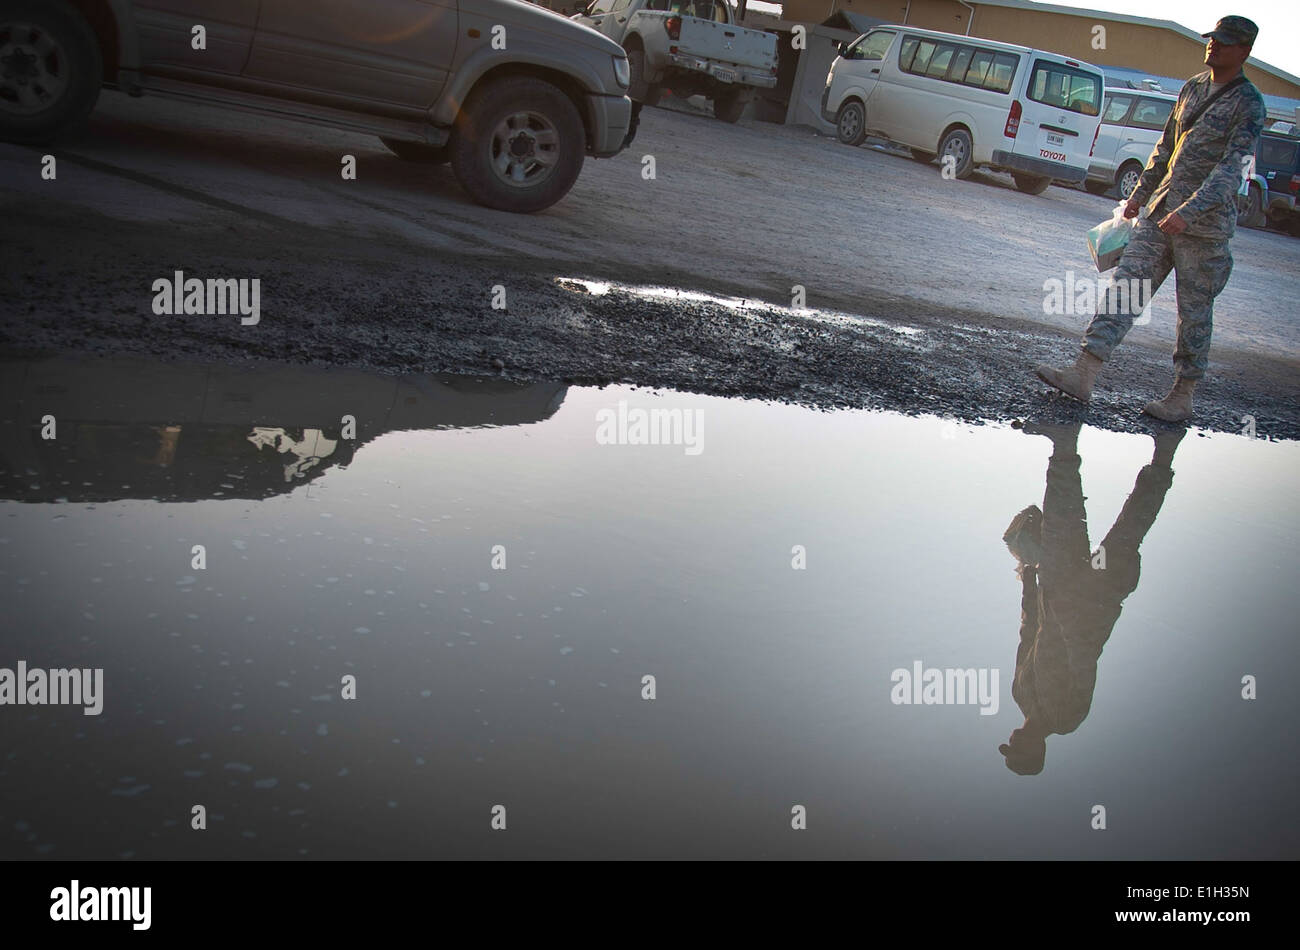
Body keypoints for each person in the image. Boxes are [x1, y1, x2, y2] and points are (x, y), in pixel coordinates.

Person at [1034, 16, 1266, 423]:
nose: (1213, 46)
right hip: (1159, 215)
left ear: (1244, 51)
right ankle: (1083, 374)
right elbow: (1165, 148)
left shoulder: (1248, 103)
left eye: (1224, 43)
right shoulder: (1192, 88)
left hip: (1204, 229)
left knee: (1193, 313)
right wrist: (1138, 197)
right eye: (1212, 39)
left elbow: (1233, 168)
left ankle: (1182, 396)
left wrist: (1189, 211)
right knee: (1126, 288)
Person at [999, 422, 1184, 775]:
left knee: (1062, 518)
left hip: (1058, 587)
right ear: (1037, 752)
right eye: (1020, 749)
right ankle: (1164, 453)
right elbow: (1084, 661)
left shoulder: (1019, 694)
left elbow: (1028, 633)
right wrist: (1069, 618)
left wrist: (1028, 579)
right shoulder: (1068, 718)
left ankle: (1064, 441)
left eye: (1011, 745)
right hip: (1095, 599)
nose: (1016, 740)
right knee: (1131, 527)